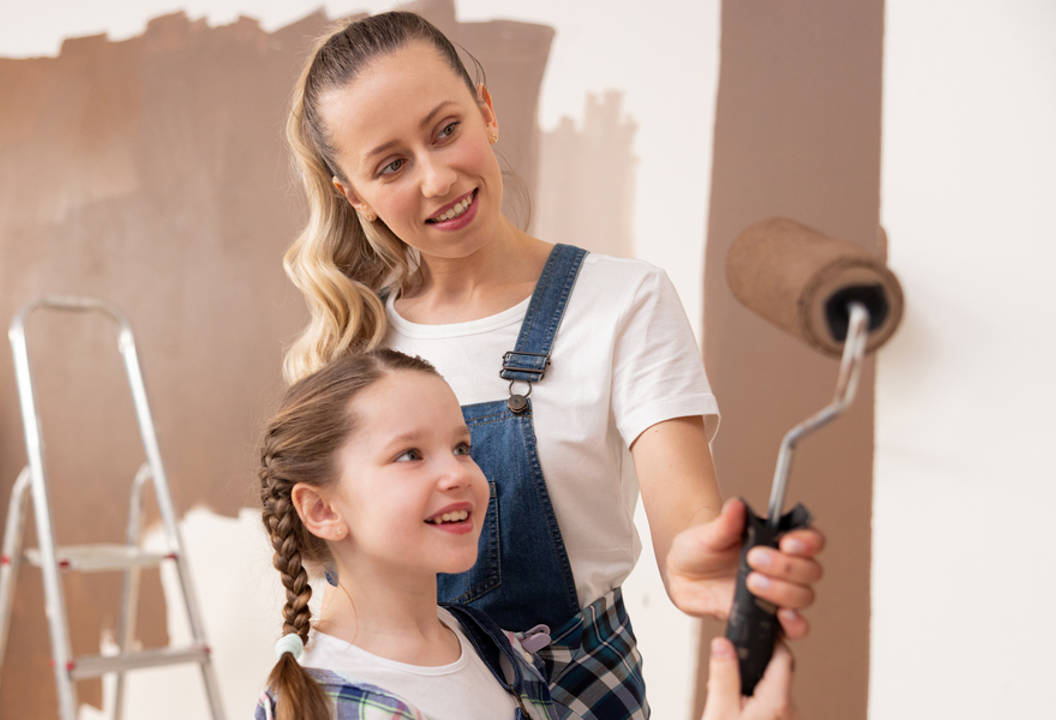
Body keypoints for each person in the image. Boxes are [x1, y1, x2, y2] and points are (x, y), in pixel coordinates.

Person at [280, 11, 824, 718]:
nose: (438, 178)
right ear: (353, 193)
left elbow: (684, 515)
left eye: (446, 130)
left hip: (588, 695)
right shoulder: (357, 348)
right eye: (391, 165)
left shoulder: (624, 300)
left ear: (486, 111)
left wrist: (699, 561)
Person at [254, 349, 797, 720]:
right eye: (410, 454)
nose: (460, 474)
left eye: (462, 447)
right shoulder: (334, 702)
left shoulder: (492, 648)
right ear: (322, 509)